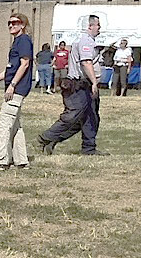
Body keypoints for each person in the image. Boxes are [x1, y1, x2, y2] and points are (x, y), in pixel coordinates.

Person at [0, 11, 33, 169]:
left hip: (17, 89)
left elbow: (25, 64)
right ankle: (22, 161)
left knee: (3, 123)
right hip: (15, 87)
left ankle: (0, 161)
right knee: (16, 125)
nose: (11, 25)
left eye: (15, 23)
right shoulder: (17, 42)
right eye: (9, 23)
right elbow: (9, 69)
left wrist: (12, 85)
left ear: (22, 25)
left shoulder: (23, 40)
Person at [40, 15, 100, 155]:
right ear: (90, 26)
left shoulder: (86, 40)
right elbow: (86, 62)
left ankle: (89, 148)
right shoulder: (86, 41)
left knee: (90, 117)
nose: (99, 28)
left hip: (83, 84)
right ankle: (46, 137)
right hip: (80, 84)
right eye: (97, 25)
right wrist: (94, 82)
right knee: (72, 117)